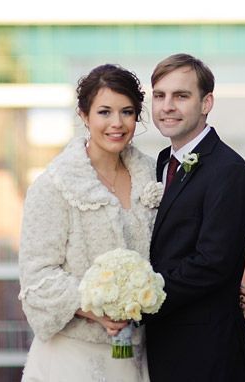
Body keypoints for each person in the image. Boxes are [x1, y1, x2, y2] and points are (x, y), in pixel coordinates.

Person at [19, 64, 159, 381]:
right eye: (104, 112)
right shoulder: (53, 186)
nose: (117, 123)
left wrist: (222, 285)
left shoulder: (154, 177)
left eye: (127, 112)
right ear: (84, 115)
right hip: (72, 358)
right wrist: (94, 307)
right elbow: (37, 279)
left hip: (138, 357)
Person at [144, 53, 245, 382]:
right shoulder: (162, 163)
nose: (167, 106)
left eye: (181, 96)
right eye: (160, 96)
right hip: (161, 350)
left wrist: (141, 295)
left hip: (207, 356)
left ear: (206, 103)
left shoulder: (229, 171)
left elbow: (213, 263)